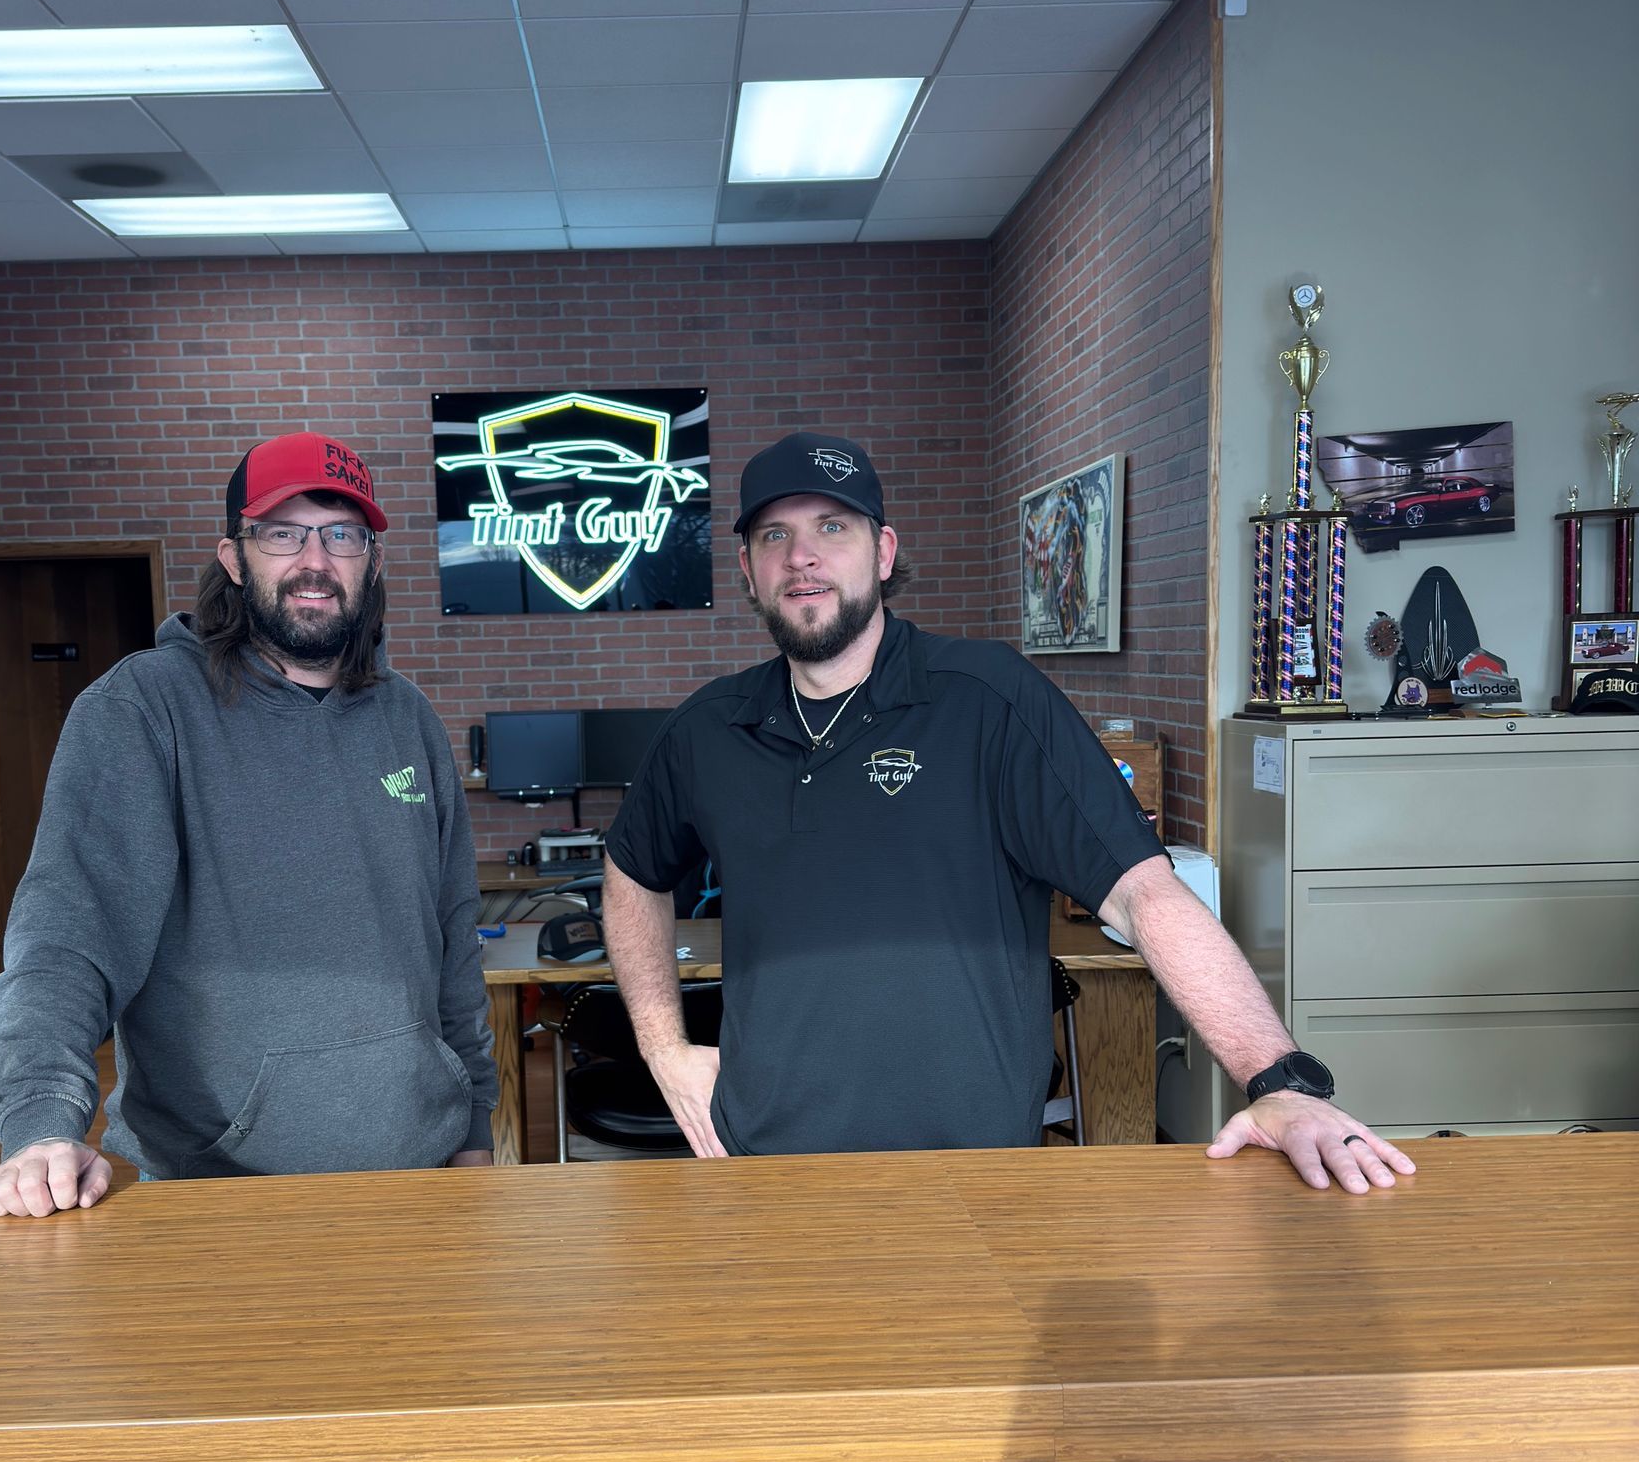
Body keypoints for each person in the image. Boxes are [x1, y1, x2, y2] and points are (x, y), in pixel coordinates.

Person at [602, 432, 1412, 1195]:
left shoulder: (989, 700)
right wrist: (665, 1049)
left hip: (976, 1168)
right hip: (761, 1166)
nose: (801, 556)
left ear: (883, 553)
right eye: (773, 535)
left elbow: (1144, 893)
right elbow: (632, 871)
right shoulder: (709, 730)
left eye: (832, 527)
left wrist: (1278, 1080)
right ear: (748, 570)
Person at [0, 430, 495, 1216]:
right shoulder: (143, 711)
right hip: (215, 1192)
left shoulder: (409, 719)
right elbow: (66, 939)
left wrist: (474, 1125)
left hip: (420, 1175)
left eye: (342, 535)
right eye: (283, 534)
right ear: (233, 556)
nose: (315, 561)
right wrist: (41, 1124)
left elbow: (454, 941)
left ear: (372, 561)